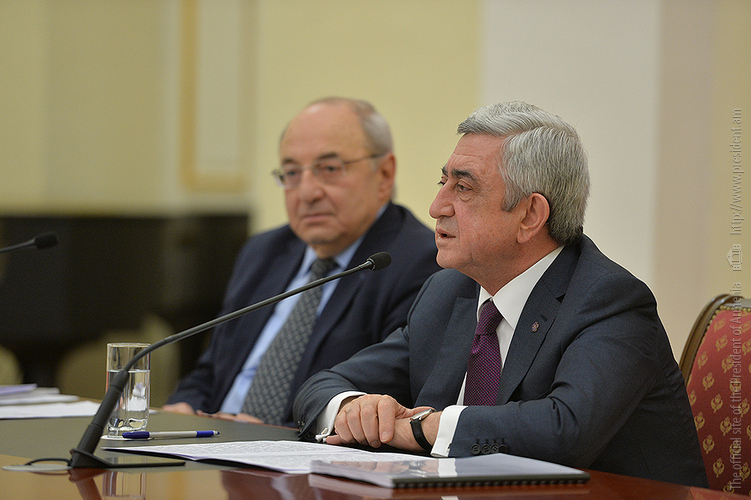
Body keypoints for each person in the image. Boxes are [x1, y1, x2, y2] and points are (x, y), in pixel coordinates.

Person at [293, 101, 708, 487]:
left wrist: (422, 428)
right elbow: (324, 385)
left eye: (463, 188)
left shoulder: (609, 301)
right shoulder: (448, 292)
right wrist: (352, 408)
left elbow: (565, 430)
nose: (436, 206)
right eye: (443, 181)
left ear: (530, 215)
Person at [164, 97, 440, 427]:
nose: (307, 193)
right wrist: (183, 408)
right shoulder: (263, 252)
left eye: (330, 169)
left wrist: (271, 436)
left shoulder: (420, 263)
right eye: (292, 173)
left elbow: (383, 404)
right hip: (210, 442)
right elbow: (211, 371)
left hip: (302, 451)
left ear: (384, 174)